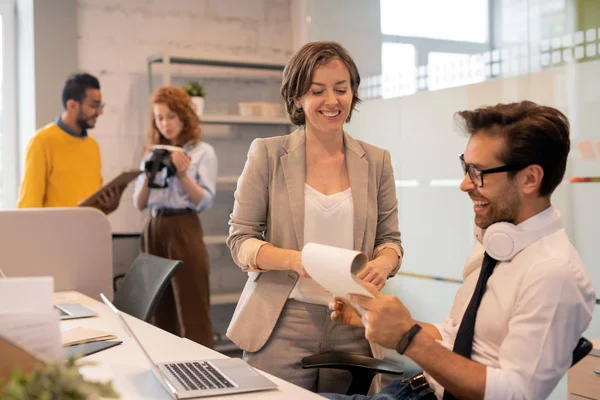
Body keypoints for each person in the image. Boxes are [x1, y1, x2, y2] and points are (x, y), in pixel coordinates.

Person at [324, 101, 596, 400]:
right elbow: (458, 338)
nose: (465, 184)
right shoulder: (495, 243)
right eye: (466, 168)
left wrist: (407, 338)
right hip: (413, 391)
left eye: (478, 172)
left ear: (530, 179)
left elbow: (516, 393)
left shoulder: (554, 273)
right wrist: (376, 318)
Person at [226, 40, 403, 394]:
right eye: (317, 91)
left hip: (354, 320)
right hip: (282, 319)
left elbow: (391, 242)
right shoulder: (268, 154)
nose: (332, 101)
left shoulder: (377, 160)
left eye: (341, 89)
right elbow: (240, 241)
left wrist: (383, 265)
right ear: (296, 98)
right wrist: (299, 260)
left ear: (353, 93)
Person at [132, 86, 218, 348]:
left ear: (183, 116)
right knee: (158, 305)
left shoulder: (202, 152)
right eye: (159, 118)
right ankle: (164, 364)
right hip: (153, 226)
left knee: (192, 304)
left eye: (170, 116)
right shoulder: (152, 153)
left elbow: (204, 200)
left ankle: (203, 368)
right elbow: (139, 203)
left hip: (184, 226)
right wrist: (149, 173)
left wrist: (182, 173)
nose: (165, 124)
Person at [17, 73, 123, 213]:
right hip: (55, 234)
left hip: (88, 232)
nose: (99, 112)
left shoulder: (92, 146)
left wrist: (108, 206)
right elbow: (29, 204)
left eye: (100, 106)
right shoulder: (41, 141)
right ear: (72, 105)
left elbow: (94, 205)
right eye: (94, 106)